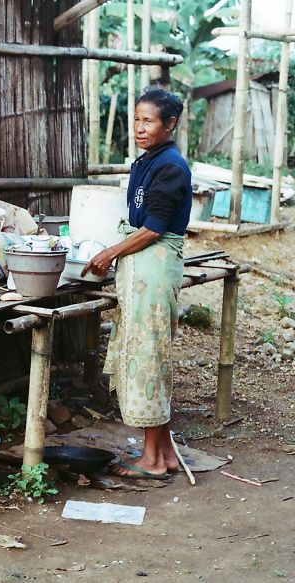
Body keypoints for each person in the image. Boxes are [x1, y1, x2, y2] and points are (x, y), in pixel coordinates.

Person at [82, 88, 192, 480]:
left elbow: (153, 229)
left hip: (155, 266)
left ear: (170, 124)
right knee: (145, 354)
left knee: (149, 358)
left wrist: (110, 252)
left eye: (149, 121)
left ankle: (152, 460)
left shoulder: (171, 167)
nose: (140, 128)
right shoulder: (147, 161)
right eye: (137, 120)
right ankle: (163, 454)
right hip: (141, 270)